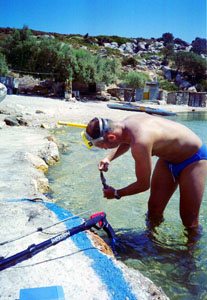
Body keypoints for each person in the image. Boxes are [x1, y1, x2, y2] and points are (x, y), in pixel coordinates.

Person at [82, 115, 207, 229]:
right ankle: (153, 244)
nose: (103, 149)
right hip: (168, 160)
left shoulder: (140, 143)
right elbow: (125, 141)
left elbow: (143, 185)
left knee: (188, 220)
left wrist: (116, 193)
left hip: (193, 159)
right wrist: (108, 157)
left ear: (111, 137)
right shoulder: (125, 125)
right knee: (154, 210)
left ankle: (190, 252)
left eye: (102, 146)